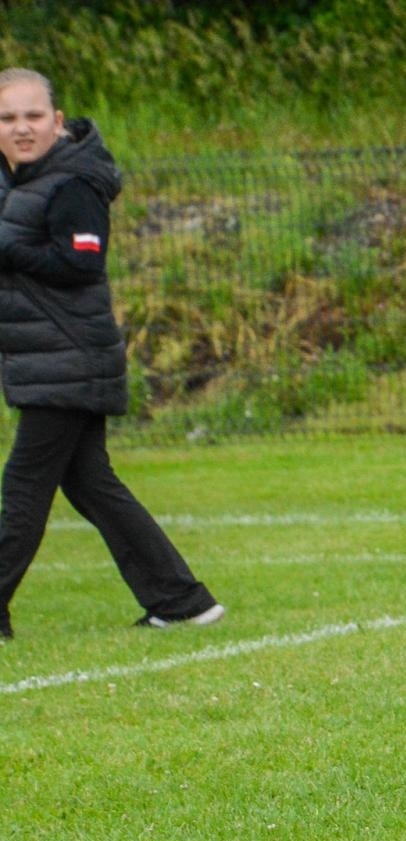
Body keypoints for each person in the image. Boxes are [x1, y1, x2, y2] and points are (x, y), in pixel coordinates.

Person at [0, 68, 222, 641]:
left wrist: (11, 250)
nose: (20, 128)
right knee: (91, 483)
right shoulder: (18, 184)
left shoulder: (74, 184)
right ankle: (180, 599)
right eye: (7, 118)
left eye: (31, 116)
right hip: (46, 360)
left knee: (25, 485)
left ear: (56, 121)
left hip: (71, 361)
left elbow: (81, 263)